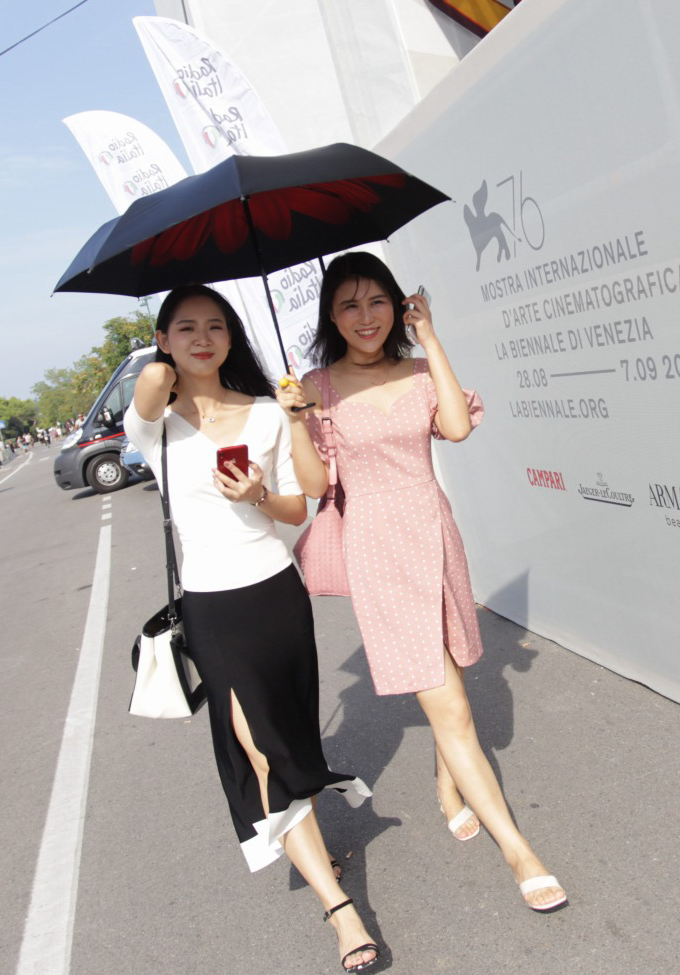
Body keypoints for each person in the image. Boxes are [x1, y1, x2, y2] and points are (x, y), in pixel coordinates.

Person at [282, 252, 567, 914]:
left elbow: (458, 427)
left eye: (376, 301)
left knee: (456, 677)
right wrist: (298, 419)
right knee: (455, 709)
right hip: (377, 554)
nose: (364, 317)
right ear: (331, 313)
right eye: (349, 305)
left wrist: (431, 337)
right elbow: (318, 485)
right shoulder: (317, 388)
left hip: (436, 539)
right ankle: (520, 853)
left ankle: (448, 786)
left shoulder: (416, 369)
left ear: (398, 304)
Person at [124, 284, 381, 972]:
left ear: (233, 337)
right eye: (186, 328)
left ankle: (310, 829)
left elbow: (301, 508)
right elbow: (149, 388)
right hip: (212, 609)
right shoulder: (153, 421)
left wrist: (260, 493)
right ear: (165, 339)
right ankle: (340, 908)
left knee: (290, 736)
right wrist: (159, 362)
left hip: (276, 595)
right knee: (260, 748)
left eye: (215, 326)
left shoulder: (266, 413)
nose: (203, 338)